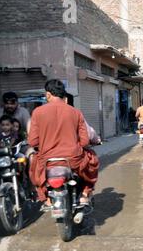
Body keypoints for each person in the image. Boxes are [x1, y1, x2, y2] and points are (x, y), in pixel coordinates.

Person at [28, 79, 99, 208]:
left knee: (33, 163)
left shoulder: (37, 112)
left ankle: (46, 199)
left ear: (48, 95)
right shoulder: (75, 112)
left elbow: (33, 141)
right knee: (92, 158)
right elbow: (84, 142)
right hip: (73, 161)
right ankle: (84, 193)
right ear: (64, 96)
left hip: (47, 161)